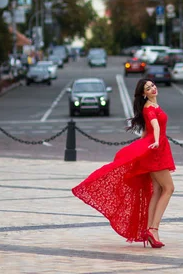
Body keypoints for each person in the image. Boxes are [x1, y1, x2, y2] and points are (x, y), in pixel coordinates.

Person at [72, 79, 175, 248]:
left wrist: (142, 146)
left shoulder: (152, 106)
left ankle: (150, 229)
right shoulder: (149, 107)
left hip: (155, 148)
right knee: (169, 188)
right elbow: (155, 127)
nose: (152, 89)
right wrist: (155, 141)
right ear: (144, 94)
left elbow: (146, 131)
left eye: (153, 85)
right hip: (156, 150)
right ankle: (153, 229)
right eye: (148, 88)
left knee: (157, 190)